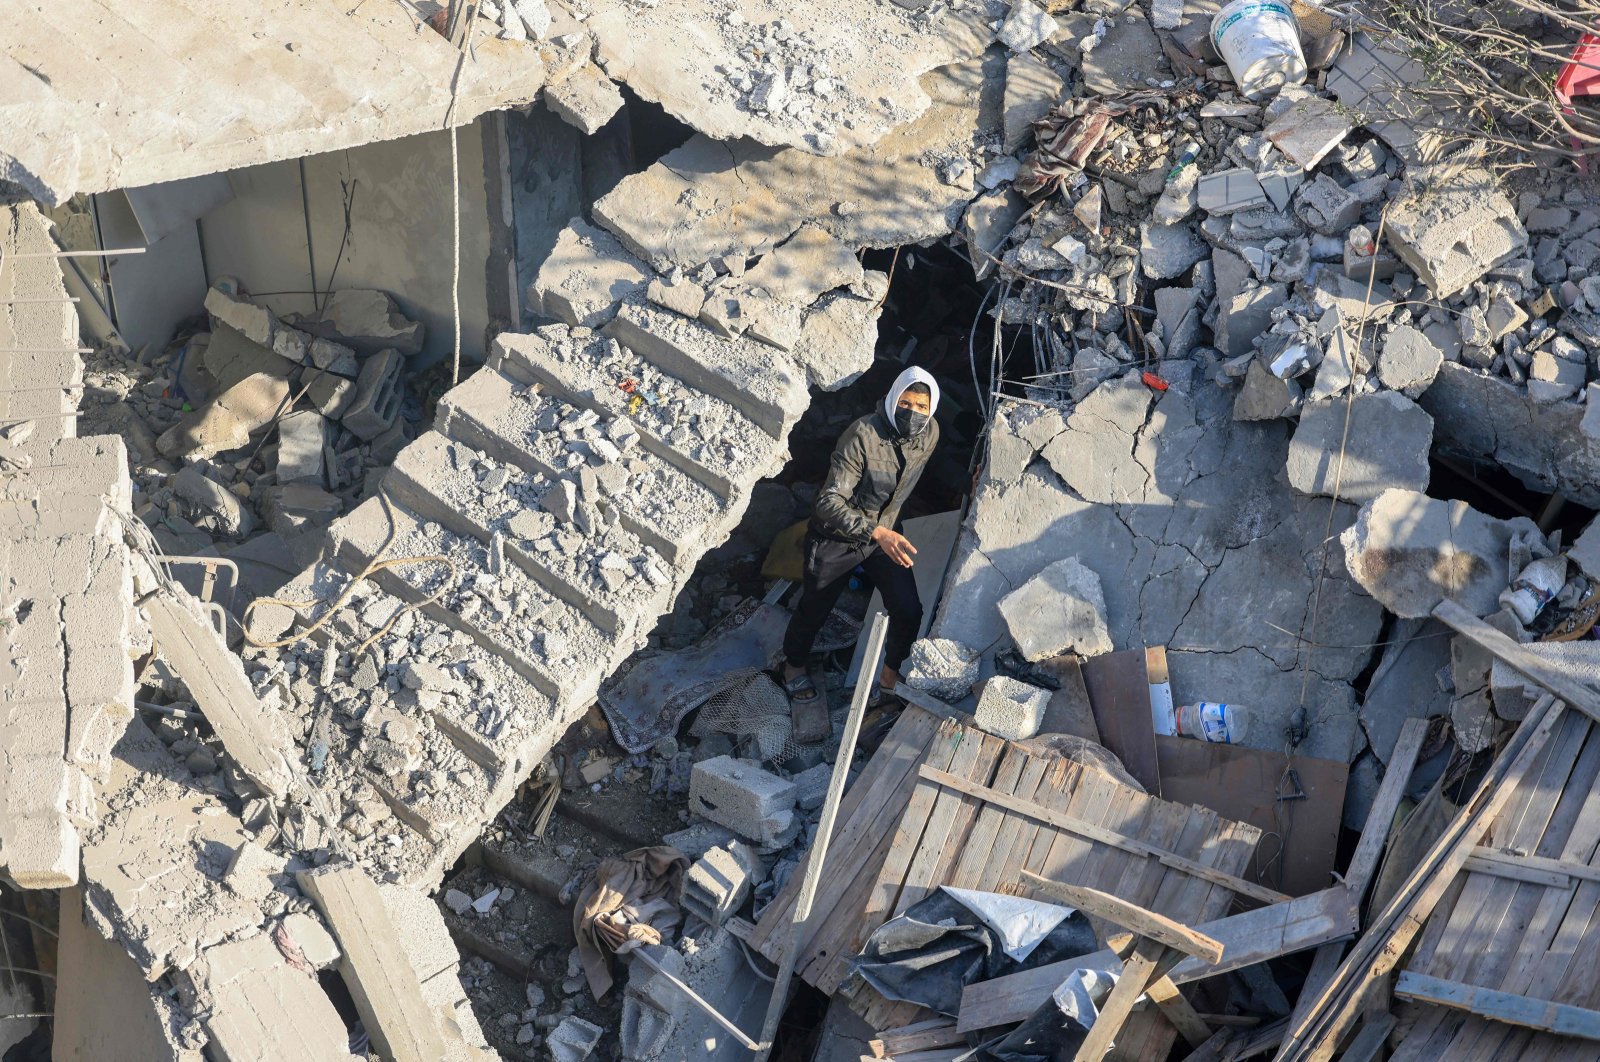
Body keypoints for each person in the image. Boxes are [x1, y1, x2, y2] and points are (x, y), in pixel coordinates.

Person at [781, 366, 940, 707]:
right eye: (907, 403)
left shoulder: (930, 434)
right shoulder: (862, 435)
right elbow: (827, 502)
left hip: (884, 536)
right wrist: (876, 531)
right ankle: (793, 666)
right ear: (894, 397)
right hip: (837, 538)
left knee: (909, 609)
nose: (913, 413)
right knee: (815, 608)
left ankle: (889, 673)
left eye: (922, 408)